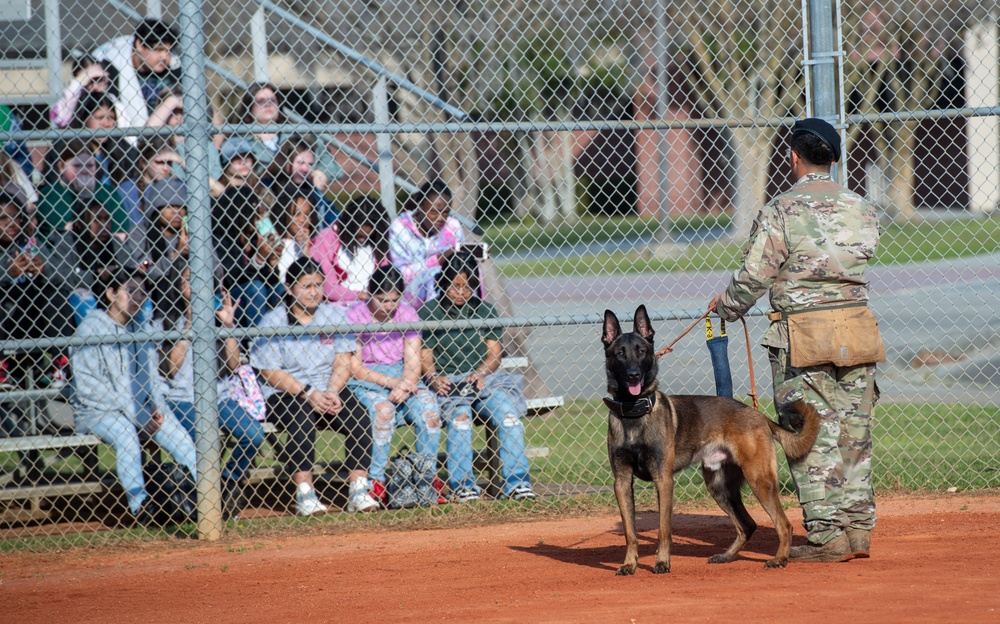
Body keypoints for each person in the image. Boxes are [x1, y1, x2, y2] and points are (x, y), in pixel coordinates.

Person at [708, 118, 882, 563]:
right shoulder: (861, 206)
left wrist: (726, 306)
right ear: (836, 159)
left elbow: (755, 275)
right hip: (858, 327)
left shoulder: (780, 210)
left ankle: (827, 535)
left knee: (809, 430)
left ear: (794, 157)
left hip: (803, 333)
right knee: (854, 431)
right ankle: (859, 530)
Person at [251, 257, 379, 515]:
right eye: (306, 286)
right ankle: (305, 495)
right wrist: (308, 393)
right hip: (286, 392)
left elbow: (344, 359)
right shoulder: (273, 321)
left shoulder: (333, 314)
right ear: (289, 288)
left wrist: (331, 391)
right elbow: (269, 372)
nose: (313, 292)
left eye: (318, 285)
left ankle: (358, 490)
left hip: (327, 388)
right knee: (301, 417)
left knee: (359, 414)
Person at [70, 266, 197, 524]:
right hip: (98, 411)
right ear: (110, 294)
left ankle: (206, 496)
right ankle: (141, 508)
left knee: (181, 438)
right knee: (127, 435)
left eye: (142, 293)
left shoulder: (143, 328)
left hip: (143, 409)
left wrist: (156, 409)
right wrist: (138, 414)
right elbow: (90, 390)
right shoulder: (89, 330)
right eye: (130, 291)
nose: (138, 298)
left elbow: (153, 379)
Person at [420, 252, 536, 501]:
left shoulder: (485, 309)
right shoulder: (431, 312)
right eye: (454, 286)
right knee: (461, 420)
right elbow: (425, 357)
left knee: (508, 416)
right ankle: (463, 486)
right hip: (449, 382)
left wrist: (481, 372)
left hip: (483, 380)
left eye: (467, 286)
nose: (460, 292)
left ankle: (517, 484)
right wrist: (433, 377)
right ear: (442, 283)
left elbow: (494, 355)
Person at [155, 261, 263, 517]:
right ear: (178, 285)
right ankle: (202, 502)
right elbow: (170, 369)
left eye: (202, 279)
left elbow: (234, 363)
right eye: (188, 280)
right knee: (203, 444)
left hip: (220, 397)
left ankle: (228, 481)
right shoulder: (166, 321)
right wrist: (189, 327)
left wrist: (228, 327)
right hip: (183, 400)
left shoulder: (218, 318)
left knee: (254, 435)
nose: (196, 285)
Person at [346, 265, 442, 503]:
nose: (388, 306)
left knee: (429, 410)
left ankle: (425, 477)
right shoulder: (355, 315)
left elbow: (413, 360)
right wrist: (393, 383)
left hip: (402, 377)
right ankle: (375, 481)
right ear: (370, 294)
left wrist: (406, 384)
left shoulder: (407, 315)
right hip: (367, 379)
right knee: (384, 411)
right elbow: (355, 368)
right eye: (381, 300)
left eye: (394, 300)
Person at [233, 83, 344, 192]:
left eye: (272, 100)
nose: (267, 104)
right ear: (249, 107)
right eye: (261, 101)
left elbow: (332, 165)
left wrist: (322, 173)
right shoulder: (239, 143)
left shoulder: (298, 135)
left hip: (301, 197)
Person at [92, 18, 181, 132]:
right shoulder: (111, 69)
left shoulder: (174, 69)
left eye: (168, 51)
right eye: (159, 50)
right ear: (139, 44)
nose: (164, 57)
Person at [388, 179, 465, 304]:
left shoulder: (453, 226)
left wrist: (470, 257)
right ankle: (432, 319)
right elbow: (400, 274)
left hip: (451, 285)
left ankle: (474, 313)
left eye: (445, 212)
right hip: (409, 290)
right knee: (434, 275)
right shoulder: (400, 227)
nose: (440, 218)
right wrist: (437, 260)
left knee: (473, 273)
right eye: (434, 212)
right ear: (420, 206)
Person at [37, 140, 129, 239]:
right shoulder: (50, 195)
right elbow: (59, 236)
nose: (84, 171)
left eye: (90, 166)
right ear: (61, 166)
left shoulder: (107, 192)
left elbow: (121, 234)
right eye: (77, 166)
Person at [310, 194, 389, 303]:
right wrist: (358, 295)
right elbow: (327, 287)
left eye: (367, 235)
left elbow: (385, 276)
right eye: (359, 235)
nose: (362, 240)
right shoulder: (328, 238)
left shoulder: (378, 241)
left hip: (374, 302)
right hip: (339, 305)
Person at [265, 134, 338, 227]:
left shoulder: (312, 190)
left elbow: (333, 217)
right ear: (285, 160)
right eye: (300, 163)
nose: (306, 169)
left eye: (310, 164)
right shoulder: (267, 186)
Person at [67, 91, 136, 187]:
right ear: (83, 119)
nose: (107, 124)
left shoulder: (126, 152)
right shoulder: (66, 151)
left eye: (111, 118)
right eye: (100, 118)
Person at [117, 136, 183, 231]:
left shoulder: (177, 186)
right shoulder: (128, 189)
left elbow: (212, 189)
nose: (166, 168)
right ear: (143, 162)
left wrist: (181, 161)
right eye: (159, 162)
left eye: (169, 162)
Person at [50, 53, 112, 129]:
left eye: (99, 80)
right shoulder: (72, 103)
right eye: (89, 81)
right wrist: (78, 82)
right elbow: (60, 120)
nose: (95, 86)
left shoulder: (112, 101)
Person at [273, 184, 316, 286]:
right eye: (296, 214)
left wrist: (306, 250)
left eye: (307, 214)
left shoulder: (314, 244)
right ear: (284, 214)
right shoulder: (275, 242)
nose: (302, 220)